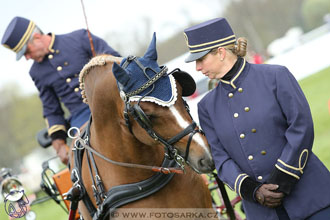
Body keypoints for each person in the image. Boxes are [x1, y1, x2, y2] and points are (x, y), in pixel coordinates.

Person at [183, 17, 330, 220]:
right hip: (261, 212)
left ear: (220, 52)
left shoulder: (276, 76)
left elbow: (301, 128)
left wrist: (282, 180)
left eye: (200, 59)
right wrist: (253, 190)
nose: (198, 67)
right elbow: (220, 158)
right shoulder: (206, 107)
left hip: (312, 199)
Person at [1, 17, 120, 164]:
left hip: (112, 99)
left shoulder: (79, 38)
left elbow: (116, 63)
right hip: (81, 117)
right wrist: (59, 144)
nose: (27, 58)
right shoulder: (36, 72)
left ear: (37, 38)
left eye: (26, 51)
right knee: (82, 156)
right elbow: (51, 109)